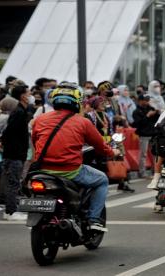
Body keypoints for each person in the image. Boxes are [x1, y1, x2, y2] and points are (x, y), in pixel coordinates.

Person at [32, 82, 120, 232]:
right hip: (70, 171)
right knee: (102, 180)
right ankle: (94, 220)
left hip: (42, 170)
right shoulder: (83, 122)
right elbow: (100, 146)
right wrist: (113, 152)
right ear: (77, 102)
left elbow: (35, 142)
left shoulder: (40, 119)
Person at [1, 85, 32, 220]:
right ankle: (11, 212)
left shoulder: (21, 110)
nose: (30, 95)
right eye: (28, 93)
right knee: (14, 182)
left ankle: (10, 210)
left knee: (14, 182)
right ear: (22, 96)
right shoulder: (19, 112)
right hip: (14, 154)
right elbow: (9, 131)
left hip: (16, 153)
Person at [132, 95, 160, 178]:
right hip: (143, 134)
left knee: (155, 154)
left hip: (153, 134)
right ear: (140, 101)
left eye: (148, 100)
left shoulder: (151, 108)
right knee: (143, 154)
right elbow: (138, 124)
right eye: (145, 100)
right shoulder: (136, 111)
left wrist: (157, 113)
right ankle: (142, 172)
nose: (147, 102)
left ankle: (155, 171)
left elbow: (157, 120)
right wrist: (147, 116)